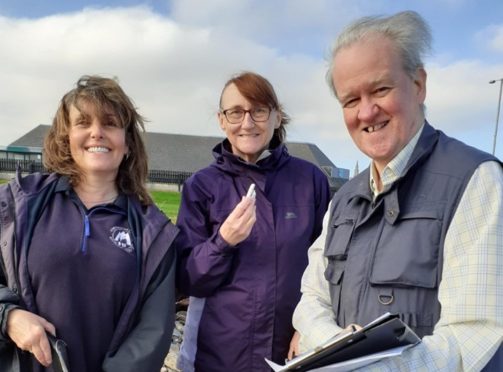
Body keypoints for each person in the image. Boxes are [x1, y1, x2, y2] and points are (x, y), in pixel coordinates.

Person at [292, 10, 503, 371]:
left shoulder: (477, 180)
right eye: (350, 101)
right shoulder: (343, 199)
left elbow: (477, 334)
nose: (367, 112)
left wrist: (364, 365)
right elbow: (311, 297)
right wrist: (334, 345)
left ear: (418, 84)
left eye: (380, 89)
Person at [0, 75, 178, 372]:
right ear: (66, 137)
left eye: (110, 123)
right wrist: (8, 316)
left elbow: (153, 330)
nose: (97, 133)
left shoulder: (153, 232)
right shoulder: (18, 204)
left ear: (128, 142)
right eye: (83, 123)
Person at [175, 71, 330, 371]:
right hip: (219, 356)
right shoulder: (201, 186)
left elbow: (328, 268)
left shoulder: (310, 181)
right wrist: (223, 242)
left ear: (277, 116)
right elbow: (188, 279)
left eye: (258, 111)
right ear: (222, 120)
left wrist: (310, 327)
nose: (247, 123)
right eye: (235, 112)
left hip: (292, 352)